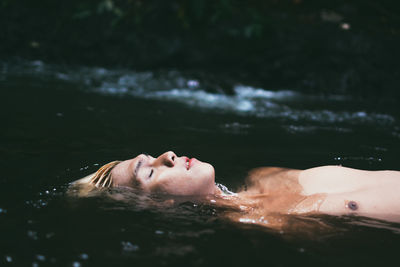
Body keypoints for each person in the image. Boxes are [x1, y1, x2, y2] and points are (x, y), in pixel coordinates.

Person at [72, 151, 400, 226]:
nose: (167, 155)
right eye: (150, 172)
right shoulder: (272, 224)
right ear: (162, 204)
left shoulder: (269, 175)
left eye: (153, 154)